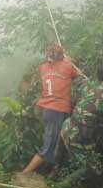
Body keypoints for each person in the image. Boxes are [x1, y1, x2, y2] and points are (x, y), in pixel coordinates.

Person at [23, 43, 80, 173]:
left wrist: (66, 61)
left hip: (47, 109)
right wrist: (69, 61)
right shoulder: (68, 66)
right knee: (48, 146)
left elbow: (57, 68)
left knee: (54, 141)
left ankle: (52, 169)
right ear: (61, 55)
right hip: (57, 110)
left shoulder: (43, 68)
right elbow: (80, 74)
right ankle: (24, 173)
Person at [60, 61, 103, 151]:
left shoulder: (85, 84)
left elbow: (73, 99)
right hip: (78, 138)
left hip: (66, 128)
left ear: (97, 73)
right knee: (90, 164)